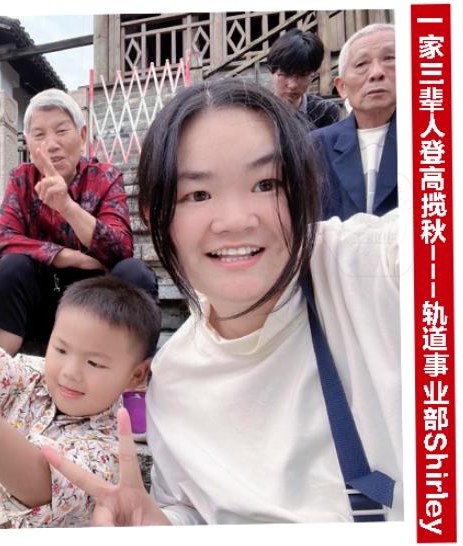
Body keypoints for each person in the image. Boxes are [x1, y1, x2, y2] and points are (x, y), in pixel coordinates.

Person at [40, 78, 402, 525]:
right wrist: (159, 526)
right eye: (198, 194)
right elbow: (191, 510)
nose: (234, 221)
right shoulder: (173, 379)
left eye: (266, 184)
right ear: (156, 216)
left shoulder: (370, 269)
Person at [0, 276, 162, 528]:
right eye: (61, 350)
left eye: (94, 363)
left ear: (136, 375)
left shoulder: (113, 449)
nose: (70, 372)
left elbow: (43, 486)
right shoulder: (30, 376)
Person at [0, 88, 158, 357]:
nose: (51, 144)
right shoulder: (22, 178)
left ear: (82, 135)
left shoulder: (105, 177)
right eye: (39, 135)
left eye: (62, 131)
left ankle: (126, 369)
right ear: (28, 143)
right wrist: (67, 256)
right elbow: (4, 241)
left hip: (94, 307)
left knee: (134, 272)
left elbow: (121, 249)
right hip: (38, 304)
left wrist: (67, 207)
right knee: (11, 266)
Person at [311, 24, 397, 220]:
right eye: (361, 64)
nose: (376, 73)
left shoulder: (436, 142)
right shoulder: (315, 146)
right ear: (342, 87)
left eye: (390, 59)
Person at [267, 28, 341, 129]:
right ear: (272, 71)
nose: (293, 85)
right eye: (285, 74)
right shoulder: (258, 111)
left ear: (313, 74)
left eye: (302, 75)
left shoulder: (325, 112)